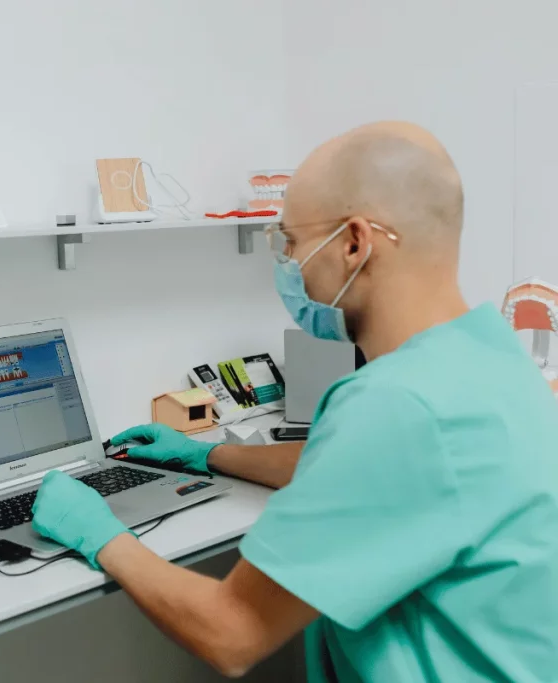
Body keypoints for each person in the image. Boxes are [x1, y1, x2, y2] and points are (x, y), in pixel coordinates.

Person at [31, 122, 558, 681]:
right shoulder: (493, 358)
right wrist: (204, 456)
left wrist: (98, 532)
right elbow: (358, 475)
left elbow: (231, 631)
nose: (289, 265)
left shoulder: (396, 404)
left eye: (291, 242)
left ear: (354, 243)